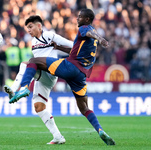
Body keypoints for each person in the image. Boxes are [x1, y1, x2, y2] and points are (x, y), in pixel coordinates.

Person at [9, 9, 116, 145]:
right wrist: (59, 47)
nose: (77, 19)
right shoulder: (89, 42)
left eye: (80, 17)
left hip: (69, 67)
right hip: (81, 75)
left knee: (32, 62)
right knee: (84, 108)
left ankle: (24, 87)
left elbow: (90, 32)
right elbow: (74, 49)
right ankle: (100, 130)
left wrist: (101, 39)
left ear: (87, 19)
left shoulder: (85, 29)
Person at [3, 15, 73, 144]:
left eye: (31, 27)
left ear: (39, 26)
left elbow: (72, 45)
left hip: (51, 72)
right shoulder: (34, 42)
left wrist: (61, 48)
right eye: (27, 28)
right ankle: (58, 137)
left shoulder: (49, 35)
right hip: (42, 77)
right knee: (38, 106)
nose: (28, 30)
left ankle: (16, 89)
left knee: (25, 64)